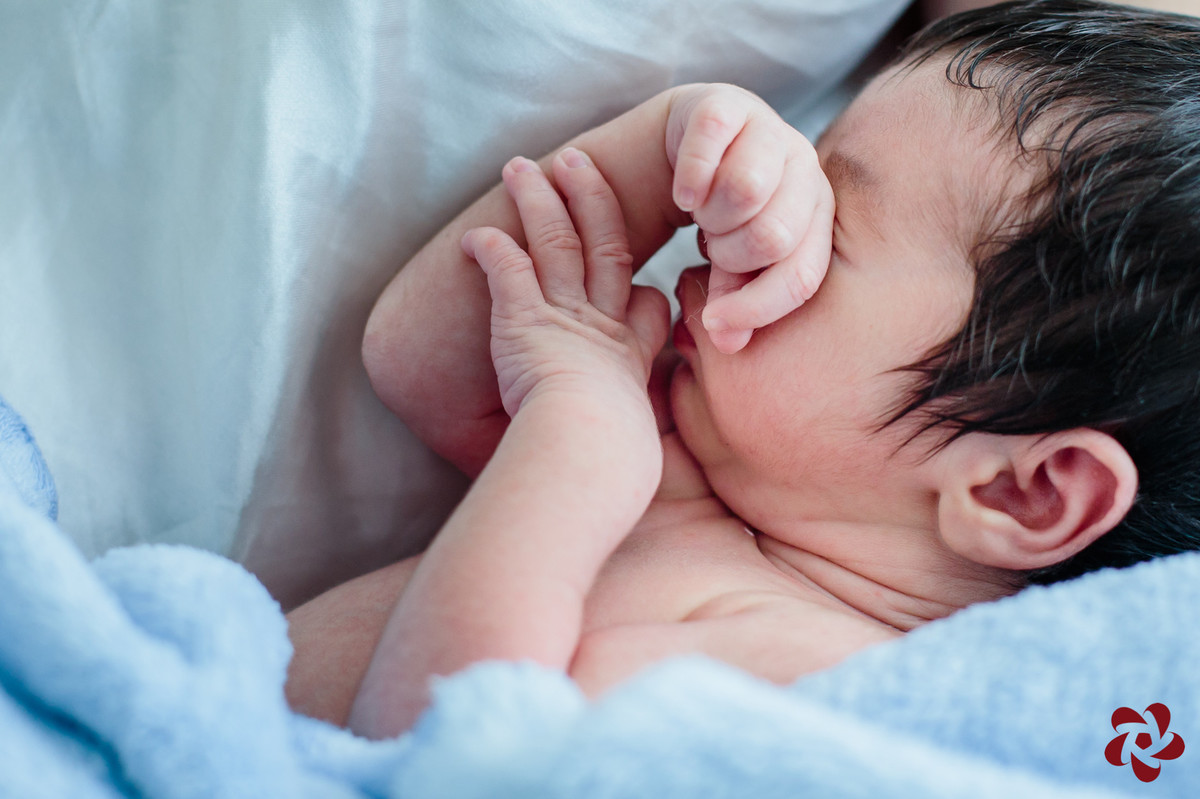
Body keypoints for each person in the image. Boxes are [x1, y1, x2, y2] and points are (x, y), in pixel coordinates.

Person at [283, 0, 1200, 739]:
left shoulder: (818, 685)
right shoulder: (692, 448)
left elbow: (443, 744)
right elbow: (413, 359)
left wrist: (577, 437)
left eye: (825, 232)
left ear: (1021, 492)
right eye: (797, 173)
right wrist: (668, 150)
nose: (754, 234)